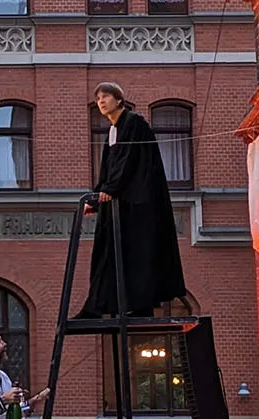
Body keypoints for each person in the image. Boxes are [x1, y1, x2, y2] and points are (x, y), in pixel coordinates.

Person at [76, 82, 188, 318]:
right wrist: (97, 198)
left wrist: (110, 189)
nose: (101, 102)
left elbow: (128, 161)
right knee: (108, 251)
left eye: (105, 96)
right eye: (98, 99)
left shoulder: (133, 123)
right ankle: (99, 305)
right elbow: (108, 167)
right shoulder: (113, 129)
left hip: (137, 204)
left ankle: (140, 304)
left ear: (119, 100)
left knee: (137, 253)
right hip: (121, 201)